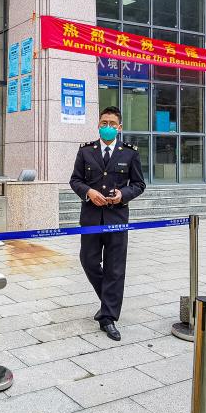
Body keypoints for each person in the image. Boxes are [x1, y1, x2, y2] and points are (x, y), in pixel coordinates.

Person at [69, 106, 146, 341]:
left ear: (119, 127)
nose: (108, 127)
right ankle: (108, 302)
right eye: (104, 123)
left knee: (115, 268)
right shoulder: (86, 151)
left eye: (113, 124)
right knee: (88, 261)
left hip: (117, 219)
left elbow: (139, 184)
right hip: (91, 218)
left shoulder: (129, 153)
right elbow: (75, 180)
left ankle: (108, 317)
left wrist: (123, 195)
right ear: (98, 125)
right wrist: (89, 192)